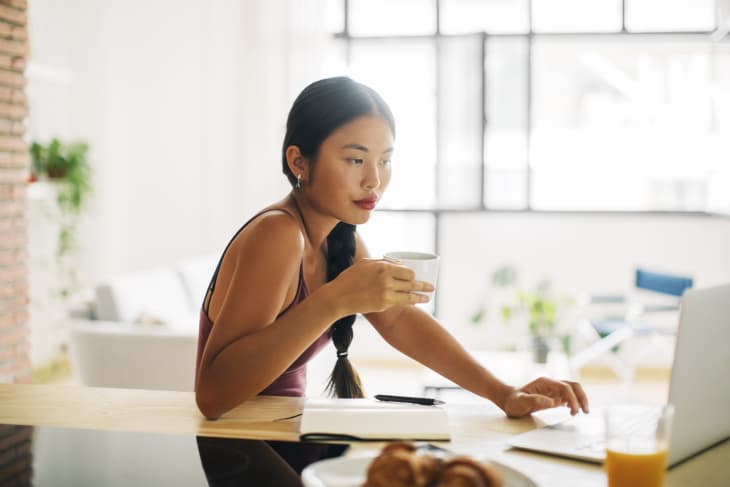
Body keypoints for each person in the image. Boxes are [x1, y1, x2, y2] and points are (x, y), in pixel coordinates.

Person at [194, 76, 589, 482]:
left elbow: (399, 321)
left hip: (282, 435)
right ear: (299, 162)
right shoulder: (277, 235)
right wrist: (332, 302)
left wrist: (505, 393)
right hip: (240, 447)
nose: (374, 180)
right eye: (355, 160)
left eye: (385, 160)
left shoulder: (338, 238)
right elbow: (213, 395)